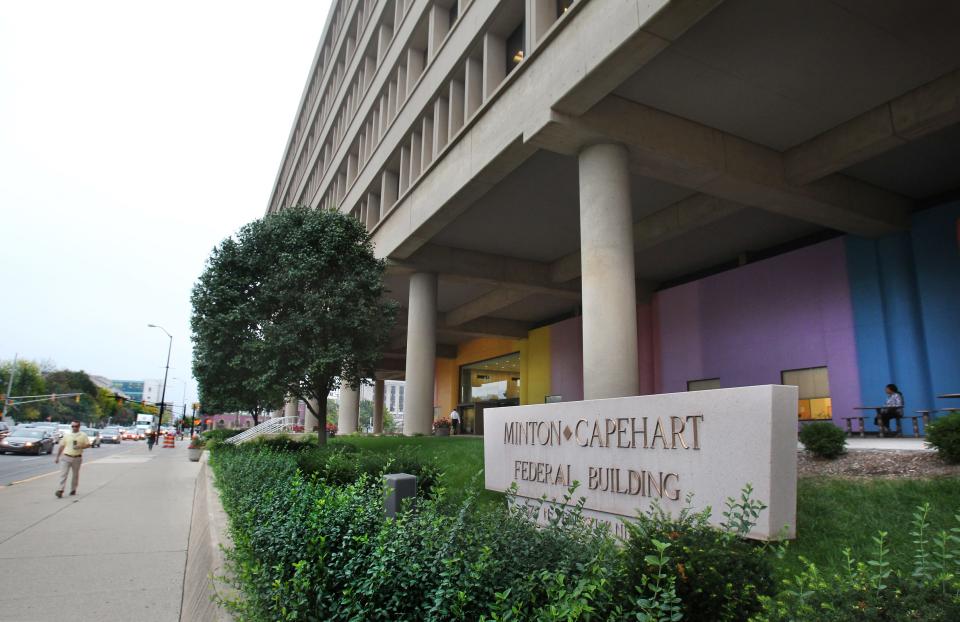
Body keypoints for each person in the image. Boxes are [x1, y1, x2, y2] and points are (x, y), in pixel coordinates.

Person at [54, 421, 90, 498]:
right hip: (66, 456)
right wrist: (57, 457)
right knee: (63, 474)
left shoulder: (83, 435)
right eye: (72, 426)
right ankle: (60, 490)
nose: (74, 428)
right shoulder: (67, 435)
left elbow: (88, 445)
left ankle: (73, 489)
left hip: (77, 457)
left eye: (76, 426)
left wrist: (80, 446)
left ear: (79, 427)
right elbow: (62, 446)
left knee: (75, 475)